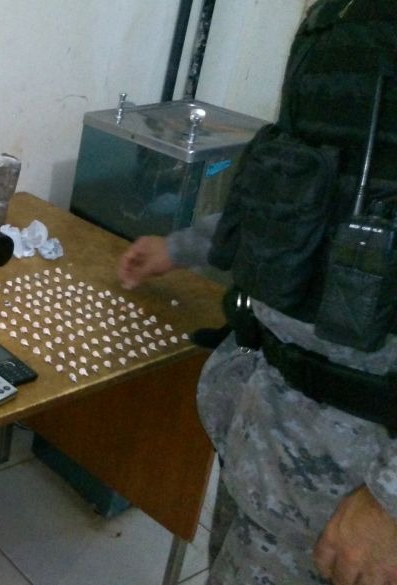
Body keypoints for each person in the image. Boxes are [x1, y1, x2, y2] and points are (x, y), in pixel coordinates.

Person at [118, 1, 397, 583]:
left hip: (356, 482)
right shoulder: (339, 17)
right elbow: (301, 200)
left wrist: (389, 502)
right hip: (268, 434)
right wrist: (181, 247)